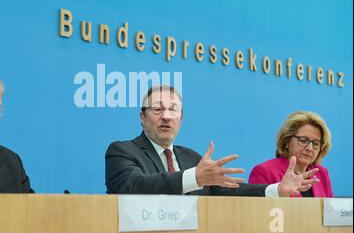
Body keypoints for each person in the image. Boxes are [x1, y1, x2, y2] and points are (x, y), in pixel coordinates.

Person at [105, 85, 318, 197]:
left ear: (181, 118)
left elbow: (225, 191)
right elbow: (133, 187)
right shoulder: (122, 151)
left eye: (173, 110)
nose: (166, 116)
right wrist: (194, 178)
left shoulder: (190, 157)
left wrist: (275, 189)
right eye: (157, 109)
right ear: (142, 117)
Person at [249, 111, 333, 197]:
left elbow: (330, 209)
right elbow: (256, 208)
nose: (310, 148)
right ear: (287, 141)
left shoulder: (322, 173)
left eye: (316, 143)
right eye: (303, 141)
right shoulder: (264, 171)